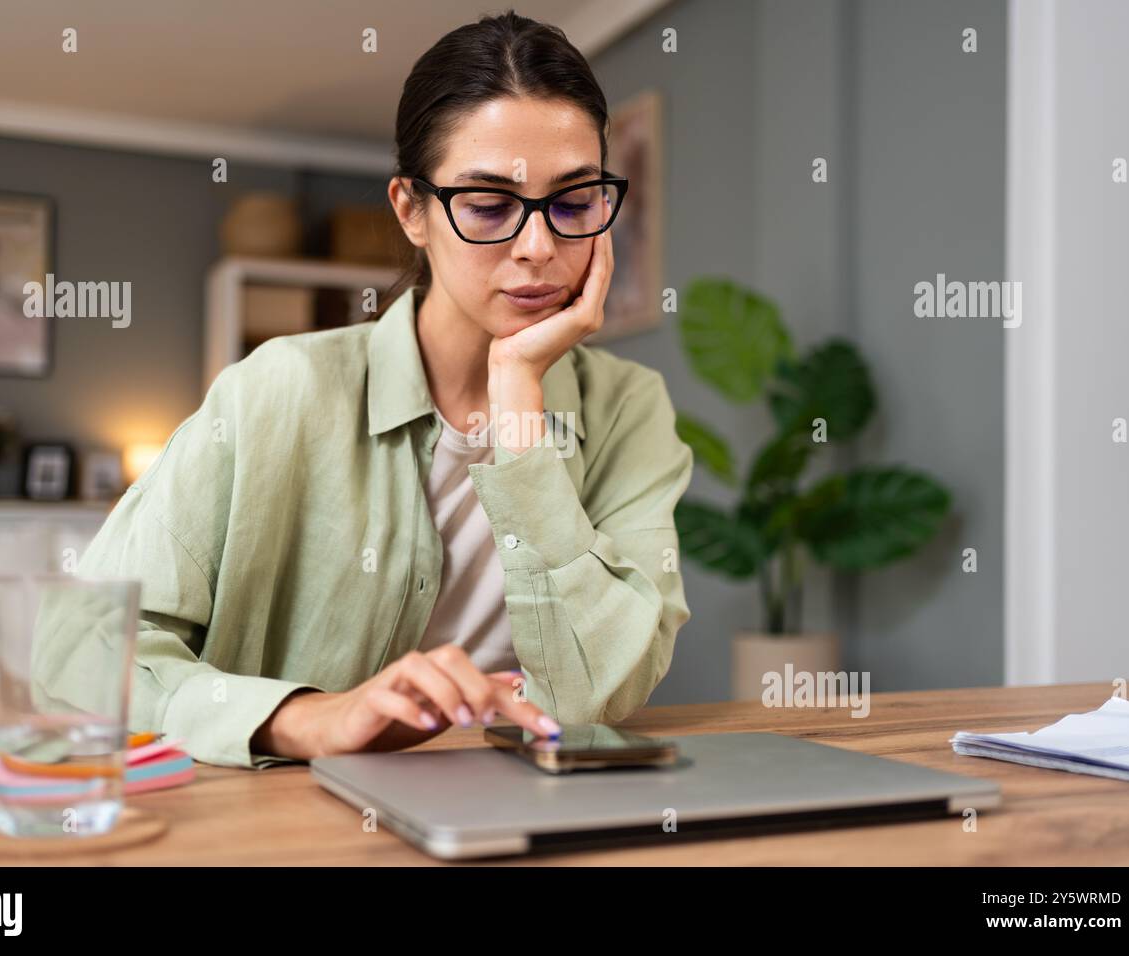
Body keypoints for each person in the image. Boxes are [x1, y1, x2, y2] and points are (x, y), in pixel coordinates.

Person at [68, 10, 693, 769]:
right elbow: (84, 651)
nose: (539, 246)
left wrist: (520, 405)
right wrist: (308, 718)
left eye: (575, 201)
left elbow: (601, 694)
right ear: (411, 211)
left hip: (537, 817)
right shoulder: (277, 391)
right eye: (489, 205)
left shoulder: (629, 409)